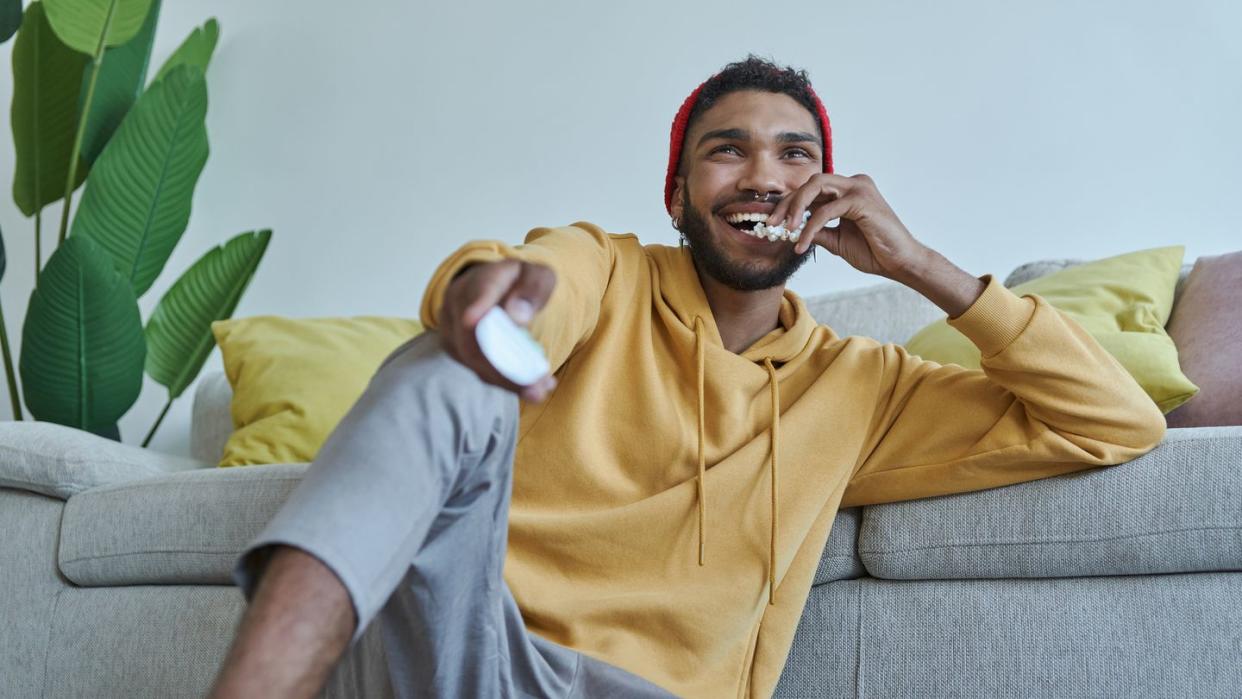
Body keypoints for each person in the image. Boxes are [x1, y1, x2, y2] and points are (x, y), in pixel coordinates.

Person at [207, 55, 1167, 698]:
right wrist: (496, 295)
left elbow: (1114, 420)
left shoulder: (866, 385)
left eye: (796, 155)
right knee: (446, 365)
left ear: (829, 199)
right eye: (727, 151)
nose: (764, 174)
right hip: (476, 657)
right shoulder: (607, 266)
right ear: (677, 194)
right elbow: (544, 281)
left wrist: (923, 266)